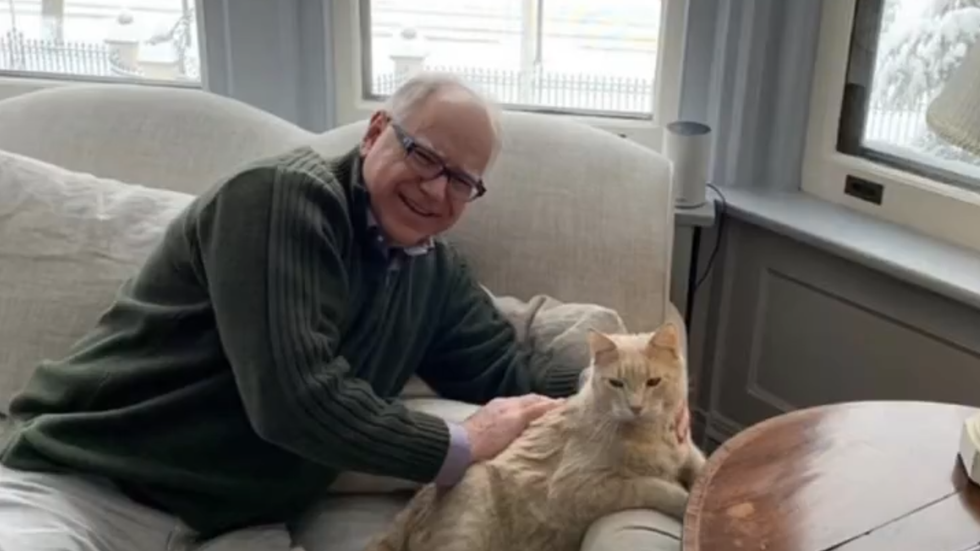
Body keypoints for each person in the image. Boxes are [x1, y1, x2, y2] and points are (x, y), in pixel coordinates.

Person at [0, 73, 688, 550]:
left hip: (240, 524)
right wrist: (460, 444)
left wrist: (645, 379)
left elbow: (505, 366)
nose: (435, 188)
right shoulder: (279, 200)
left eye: (462, 180)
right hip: (86, 484)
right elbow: (294, 398)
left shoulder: (433, 272)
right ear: (377, 132)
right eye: (423, 155)